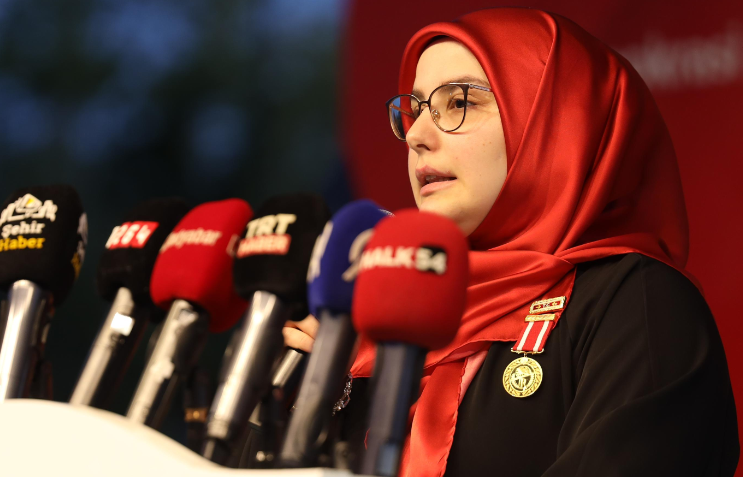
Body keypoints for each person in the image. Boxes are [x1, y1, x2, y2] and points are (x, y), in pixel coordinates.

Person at [284, 7, 740, 476]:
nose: (416, 135)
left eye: (459, 102)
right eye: (414, 110)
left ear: (556, 121)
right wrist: (316, 399)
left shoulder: (635, 302)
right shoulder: (377, 334)